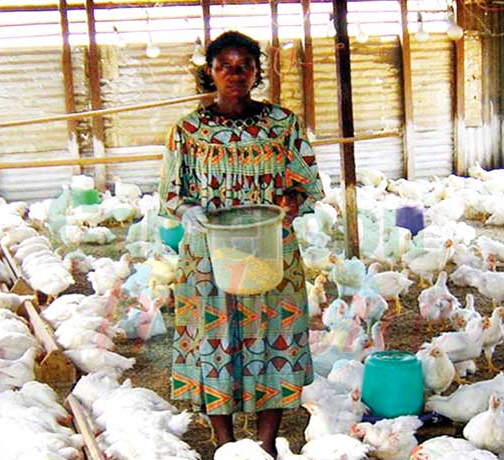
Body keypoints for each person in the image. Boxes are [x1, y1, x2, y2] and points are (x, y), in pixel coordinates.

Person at [157, 30, 324, 457]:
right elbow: (172, 192)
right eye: (224, 66)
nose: (235, 74)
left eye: (244, 66)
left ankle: (267, 443)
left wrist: (292, 199)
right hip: (212, 252)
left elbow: (304, 179)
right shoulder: (188, 130)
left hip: (269, 246)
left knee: (275, 335)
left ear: (256, 72)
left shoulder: (282, 123)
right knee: (217, 338)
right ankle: (225, 443)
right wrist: (189, 213)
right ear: (209, 72)